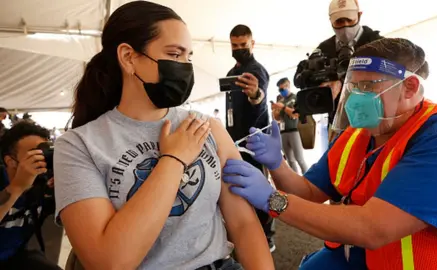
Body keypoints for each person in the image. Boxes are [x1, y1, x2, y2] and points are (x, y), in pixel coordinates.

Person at [222, 38, 437, 269]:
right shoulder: (357, 135)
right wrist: (278, 164)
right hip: (356, 254)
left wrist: (272, 200)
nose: (356, 98)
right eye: (353, 88)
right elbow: (309, 192)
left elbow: (373, 228)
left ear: (410, 88)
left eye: (367, 87)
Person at [53, 2, 274, 270]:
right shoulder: (78, 146)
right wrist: (173, 159)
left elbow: (243, 223)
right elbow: (108, 262)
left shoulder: (207, 127)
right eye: (174, 54)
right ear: (128, 57)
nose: (185, 67)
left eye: (188, 57)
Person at [294, 0, 382, 141]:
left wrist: (342, 82)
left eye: (349, 19)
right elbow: (303, 80)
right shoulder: (324, 48)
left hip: (374, 122)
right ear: (331, 21)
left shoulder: (378, 43)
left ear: (359, 15)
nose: (345, 25)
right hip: (337, 122)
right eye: (339, 21)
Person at [225, 24, 275, 251]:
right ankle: (248, 231)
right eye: (235, 45)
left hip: (254, 142)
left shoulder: (257, 71)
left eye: (243, 45)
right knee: (241, 188)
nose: (239, 49)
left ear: (252, 44)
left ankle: (266, 235)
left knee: (259, 188)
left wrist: (256, 95)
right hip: (235, 141)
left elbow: (259, 101)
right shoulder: (231, 73)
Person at [0, 122, 58, 270]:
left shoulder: (43, 183)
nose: (41, 158)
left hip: (14, 256)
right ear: (10, 161)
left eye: (44, 152)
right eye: (34, 154)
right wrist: (17, 187)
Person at [271, 78, 308, 174]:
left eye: (283, 89)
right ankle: (296, 181)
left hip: (294, 130)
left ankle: (308, 179)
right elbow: (277, 119)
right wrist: (275, 110)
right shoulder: (281, 100)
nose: (281, 92)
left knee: (299, 158)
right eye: (280, 90)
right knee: (290, 160)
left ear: (288, 86)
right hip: (283, 132)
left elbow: (295, 114)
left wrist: (282, 107)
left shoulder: (295, 98)